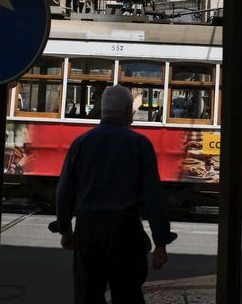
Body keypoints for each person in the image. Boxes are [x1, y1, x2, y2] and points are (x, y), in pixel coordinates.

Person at [55, 84, 177, 304]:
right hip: (126, 231)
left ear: (102, 110)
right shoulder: (140, 145)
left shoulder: (80, 143)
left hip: (88, 229)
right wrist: (161, 241)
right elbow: (154, 196)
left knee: (88, 296)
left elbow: (64, 192)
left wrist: (65, 229)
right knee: (128, 294)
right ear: (128, 109)